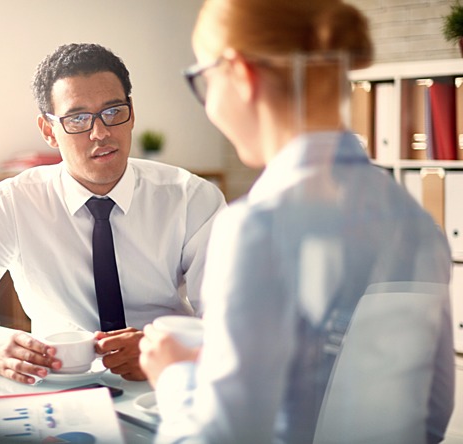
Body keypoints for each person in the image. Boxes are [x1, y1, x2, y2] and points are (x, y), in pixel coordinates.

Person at [139, 0, 455, 443]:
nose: (208, 105)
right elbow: (432, 414)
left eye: (204, 82)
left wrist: (174, 376)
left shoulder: (257, 227)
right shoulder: (420, 225)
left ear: (238, 73)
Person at [0, 43, 226, 384]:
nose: (100, 133)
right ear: (48, 130)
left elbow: (234, 320)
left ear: (132, 112)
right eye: (78, 119)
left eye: (113, 112)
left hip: (169, 381)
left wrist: (175, 347)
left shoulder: (190, 197)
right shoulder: (14, 202)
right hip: (59, 387)